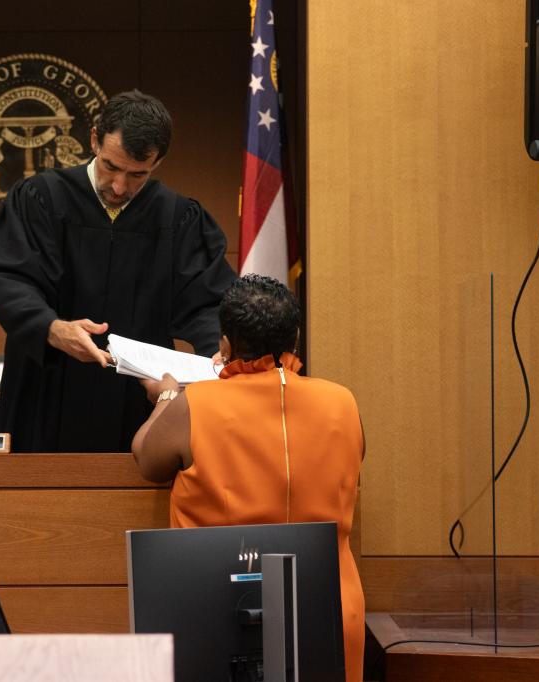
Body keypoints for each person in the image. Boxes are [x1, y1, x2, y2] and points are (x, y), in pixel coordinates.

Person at [132, 274, 365, 682]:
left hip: (224, 616)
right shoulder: (343, 402)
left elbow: (147, 460)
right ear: (295, 339)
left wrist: (166, 396)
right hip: (328, 608)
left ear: (224, 343)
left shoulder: (197, 403)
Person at [0, 90, 236, 452]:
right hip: (49, 386)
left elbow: (209, 299)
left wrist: (215, 349)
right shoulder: (41, 199)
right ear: (95, 138)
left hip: (138, 396)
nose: (119, 187)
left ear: (157, 163)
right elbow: (8, 275)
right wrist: (50, 327)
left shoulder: (177, 218)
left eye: (137, 175)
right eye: (111, 166)